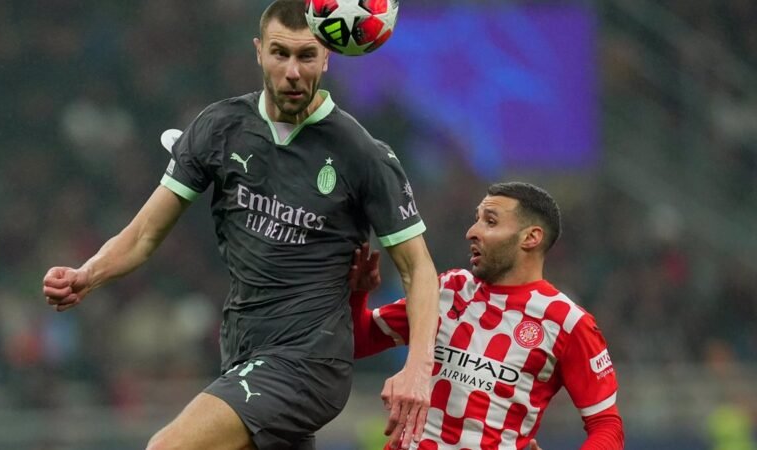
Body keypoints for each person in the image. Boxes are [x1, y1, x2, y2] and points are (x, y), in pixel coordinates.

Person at [42, 1, 439, 449]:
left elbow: (419, 269)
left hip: (308, 362)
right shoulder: (219, 128)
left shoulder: (363, 155)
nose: (292, 70)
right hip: (243, 353)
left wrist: (417, 368)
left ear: (327, 57)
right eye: (279, 53)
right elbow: (144, 234)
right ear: (258, 51)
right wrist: (87, 274)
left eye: (306, 56)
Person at [348, 182, 625, 449]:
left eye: (490, 222)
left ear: (531, 237)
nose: (472, 231)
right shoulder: (448, 289)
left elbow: (607, 425)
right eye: (476, 219)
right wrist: (358, 294)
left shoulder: (567, 321)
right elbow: (357, 342)